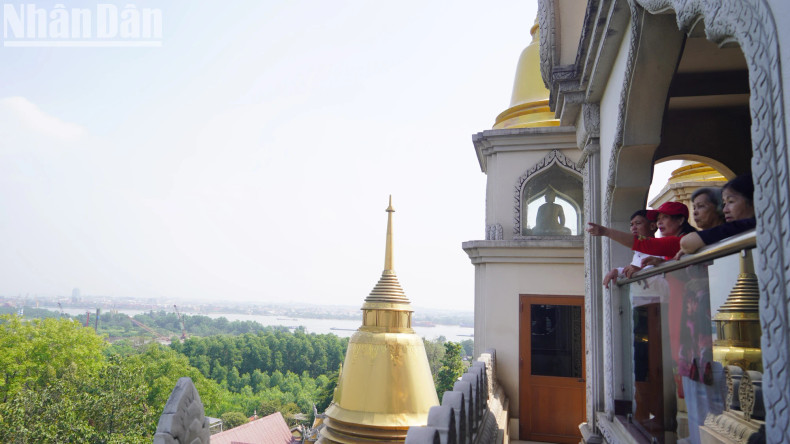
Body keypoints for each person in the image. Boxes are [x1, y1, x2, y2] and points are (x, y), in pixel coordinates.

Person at [587, 201, 697, 260]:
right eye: (658, 219)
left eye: (665, 217)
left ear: (680, 220)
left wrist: (606, 232)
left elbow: (642, 242)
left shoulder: (682, 242)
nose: (659, 222)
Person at [678, 173, 756, 255]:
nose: (725, 210)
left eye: (731, 201)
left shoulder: (746, 225)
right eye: (724, 203)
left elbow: (687, 242)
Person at [602, 210, 660, 288]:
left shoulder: (660, 248)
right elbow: (633, 269)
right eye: (631, 225)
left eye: (638, 223)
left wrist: (640, 272)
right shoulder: (638, 253)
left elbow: (660, 277)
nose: (633, 228)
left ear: (652, 226)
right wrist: (617, 271)